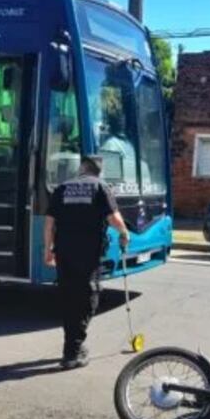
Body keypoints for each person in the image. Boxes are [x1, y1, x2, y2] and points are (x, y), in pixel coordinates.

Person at [44, 155, 130, 370]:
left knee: (69, 297)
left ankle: (71, 346)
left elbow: (49, 223)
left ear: (82, 168)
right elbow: (114, 218)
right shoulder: (100, 187)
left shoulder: (62, 187)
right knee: (88, 298)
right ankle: (72, 352)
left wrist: (48, 250)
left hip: (64, 252)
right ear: (99, 171)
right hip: (88, 254)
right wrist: (124, 233)